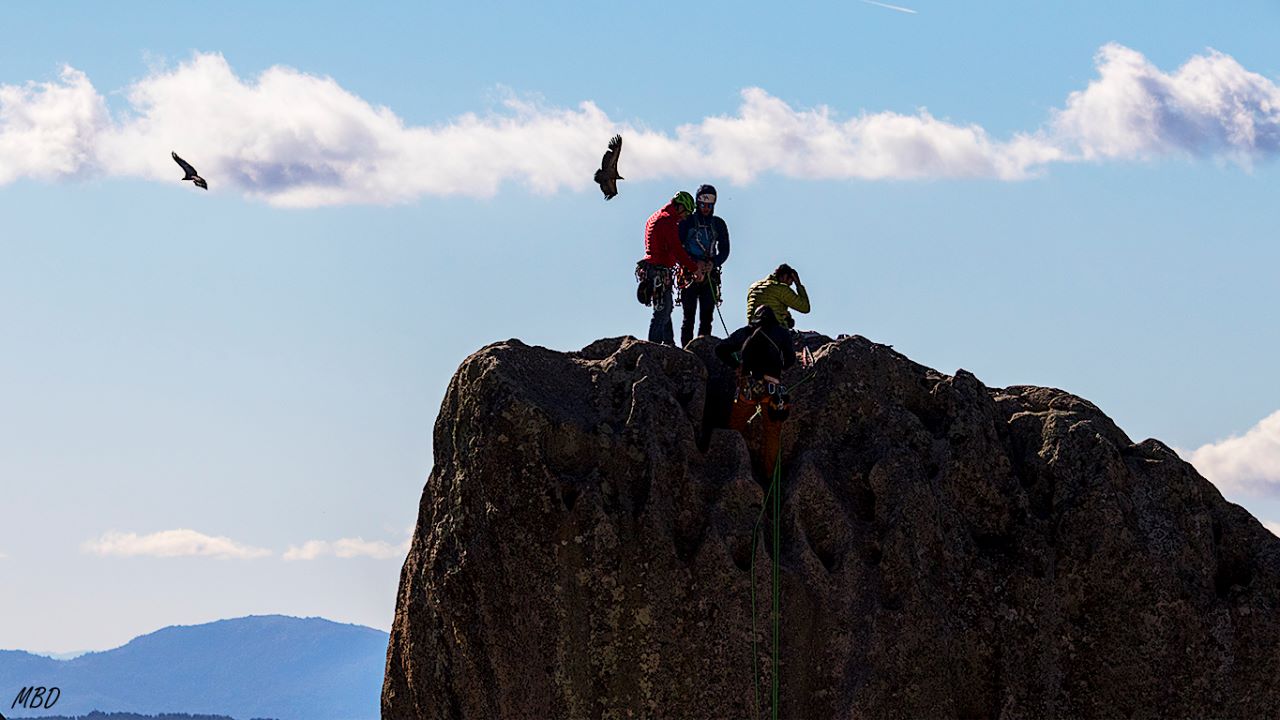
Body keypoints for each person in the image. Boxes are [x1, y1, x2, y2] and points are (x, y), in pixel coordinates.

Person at [716, 306, 796, 477]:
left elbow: (720, 349)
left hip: (748, 388)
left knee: (734, 428)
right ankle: (770, 476)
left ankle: (730, 468)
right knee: (772, 433)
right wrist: (778, 367)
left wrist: (736, 366)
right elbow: (790, 361)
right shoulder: (782, 333)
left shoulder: (746, 332)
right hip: (772, 390)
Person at [677, 183, 731, 346]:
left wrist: (713, 263)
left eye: (709, 205)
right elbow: (678, 247)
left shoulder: (718, 224)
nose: (706, 208)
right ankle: (687, 350)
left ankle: (702, 349)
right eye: (702, 204)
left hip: (710, 275)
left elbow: (725, 249)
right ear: (697, 203)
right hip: (689, 274)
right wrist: (694, 262)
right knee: (689, 317)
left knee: (707, 316)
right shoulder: (687, 222)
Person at [640, 191, 697, 345]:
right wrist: (694, 268)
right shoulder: (667, 221)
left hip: (653, 269)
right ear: (679, 207)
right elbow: (677, 249)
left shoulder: (657, 216)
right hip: (658, 270)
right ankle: (655, 347)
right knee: (662, 311)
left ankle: (668, 343)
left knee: (666, 308)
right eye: (686, 212)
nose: (685, 216)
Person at [746, 263, 809, 329]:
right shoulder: (781, 289)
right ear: (785, 276)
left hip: (752, 328)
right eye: (792, 280)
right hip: (774, 330)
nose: (790, 284)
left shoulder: (753, 287)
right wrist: (798, 284)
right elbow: (805, 307)